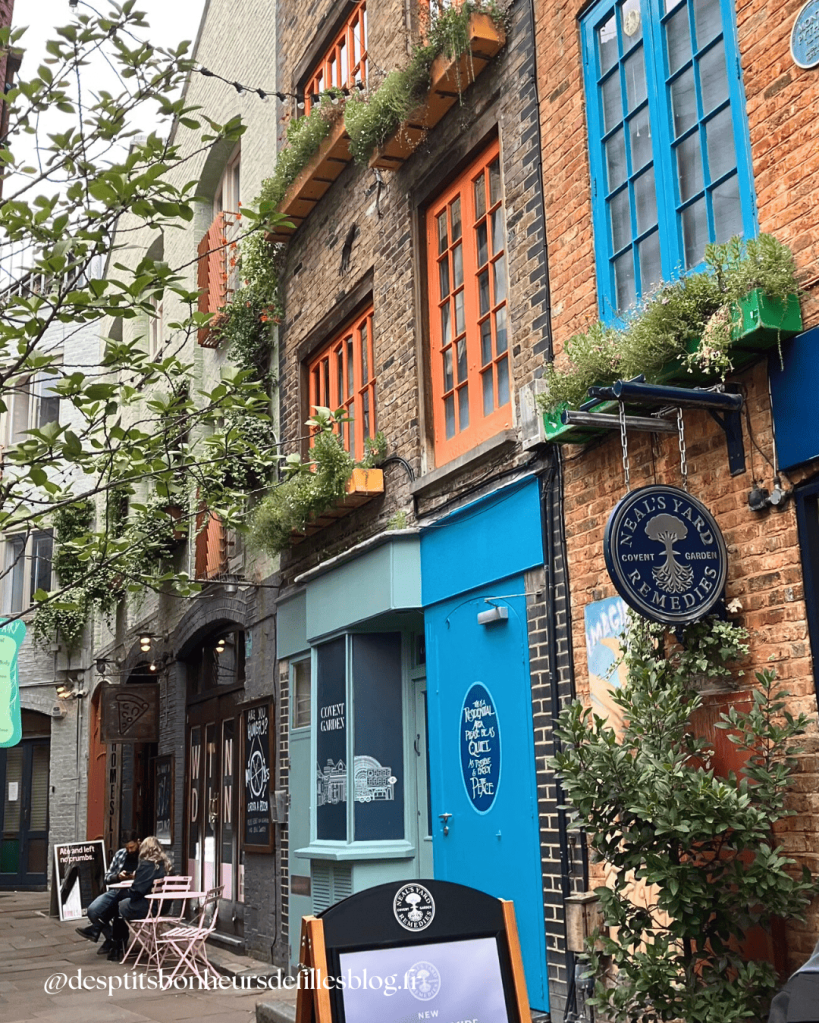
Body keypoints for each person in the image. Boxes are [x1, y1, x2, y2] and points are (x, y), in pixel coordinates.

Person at [108, 835, 172, 962]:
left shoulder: (146, 865)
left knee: (119, 904)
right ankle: (115, 945)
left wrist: (130, 888)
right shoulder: (166, 864)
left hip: (148, 907)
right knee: (120, 902)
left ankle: (116, 947)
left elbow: (136, 892)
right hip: (162, 907)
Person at [76, 831, 140, 953]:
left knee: (119, 908)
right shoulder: (121, 854)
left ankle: (106, 936)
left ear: (138, 842)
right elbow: (106, 878)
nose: (130, 850)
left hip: (133, 894)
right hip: (116, 891)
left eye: (132, 847)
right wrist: (118, 877)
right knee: (93, 910)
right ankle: (110, 938)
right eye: (127, 848)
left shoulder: (144, 856)